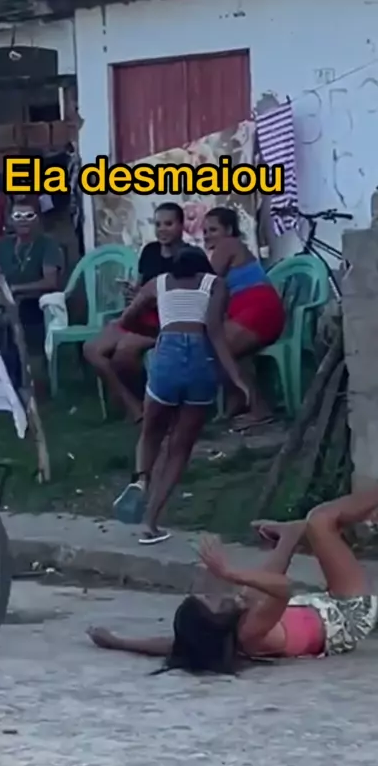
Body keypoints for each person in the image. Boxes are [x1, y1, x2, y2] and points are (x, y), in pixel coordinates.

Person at [88, 489, 378, 671]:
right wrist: (229, 572)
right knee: (320, 520)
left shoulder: (218, 638)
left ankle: (289, 537)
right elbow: (283, 588)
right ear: (214, 624)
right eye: (211, 602)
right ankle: (294, 535)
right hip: (349, 613)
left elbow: (170, 644)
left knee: (248, 596)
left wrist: (118, 641)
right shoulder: (249, 633)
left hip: (315, 608)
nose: (216, 595)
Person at [111, 246, 247, 544]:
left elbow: (127, 319)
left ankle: (141, 479)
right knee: (180, 447)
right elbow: (215, 334)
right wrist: (237, 379)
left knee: (150, 432)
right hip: (200, 362)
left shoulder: (157, 283)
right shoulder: (215, 285)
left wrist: (160, 331)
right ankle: (151, 522)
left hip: (167, 358)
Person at [83, 203, 212, 423]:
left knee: (124, 352)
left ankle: (150, 405)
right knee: (91, 349)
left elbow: (201, 293)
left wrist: (152, 299)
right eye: (158, 224)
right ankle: (129, 402)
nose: (162, 229)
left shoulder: (191, 256)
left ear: (181, 225)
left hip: (170, 320)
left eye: (168, 224)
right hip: (140, 314)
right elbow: (143, 287)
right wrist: (133, 293)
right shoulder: (150, 251)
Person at [204, 207, 285, 429]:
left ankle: (260, 408)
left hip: (258, 310)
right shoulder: (229, 248)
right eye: (205, 231)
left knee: (221, 347)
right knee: (226, 348)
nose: (207, 235)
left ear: (229, 230)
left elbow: (206, 283)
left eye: (213, 229)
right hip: (252, 312)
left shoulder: (227, 245)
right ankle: (239, 401)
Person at [0, 197, 64, 352]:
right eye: (18, 216)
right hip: (4, 302)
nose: (23, 220)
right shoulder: (1, 246)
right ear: (10, 220)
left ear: (37, 219)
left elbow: (50, 282)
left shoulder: (47, 244)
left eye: (29, 216)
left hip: (34, 303)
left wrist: (16, 289)